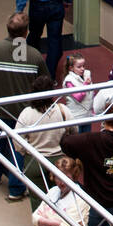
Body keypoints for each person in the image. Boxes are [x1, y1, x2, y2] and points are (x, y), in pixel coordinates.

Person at [0, 12, 51, 199]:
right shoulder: (34, 56)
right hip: (22, 114)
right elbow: (45, 83)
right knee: (18, 151)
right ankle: (16, 189)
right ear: (26, 32)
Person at [13, 78, 72, 215]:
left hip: (35, 161)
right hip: (60, 162)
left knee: (37, 200)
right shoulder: (63, 110)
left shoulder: (26, 113)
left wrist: (26, 152)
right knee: (62, 199)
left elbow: (17, 140)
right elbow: (74, 131)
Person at [62, 53, 93, 130]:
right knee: (78, 139)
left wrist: (92, 108)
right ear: (71, 68)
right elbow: (78, 97)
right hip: (76, 117)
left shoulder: (87, 75)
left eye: (83, 66)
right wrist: (85, 85)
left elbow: (91, 93)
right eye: (79, 67)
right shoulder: (69, 81)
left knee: (87, 139)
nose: (82, 69)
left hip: (87, 115)